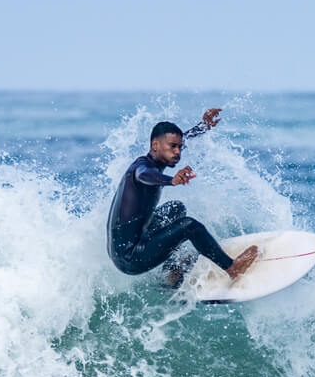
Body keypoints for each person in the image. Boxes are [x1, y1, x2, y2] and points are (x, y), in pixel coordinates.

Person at [106, 108, 258, 285]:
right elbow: (144, 176)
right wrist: (172, 180)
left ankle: (172, 272)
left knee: (176, 209)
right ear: (155, 145)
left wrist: (203, 127)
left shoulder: (155, 159)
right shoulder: (143, 169)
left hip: (130, 242)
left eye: (179, 147)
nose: (178, 152)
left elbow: (179, 141)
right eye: (173, 147)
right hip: (130, 257)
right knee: (189, 226)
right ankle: (232, 268)